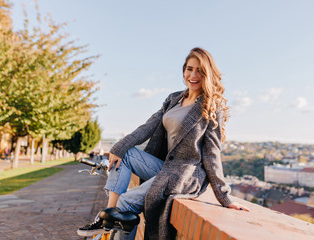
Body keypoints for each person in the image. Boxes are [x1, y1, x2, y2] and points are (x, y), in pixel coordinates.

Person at [77, 47, 250, 239]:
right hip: (165, 167)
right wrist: (118, 147)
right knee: (125, 152)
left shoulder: (210, 107)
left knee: (126, 202)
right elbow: (147, 127)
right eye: (189, 69)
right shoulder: (174, 99)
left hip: (185, 175)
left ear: (208, 74)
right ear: (184, 70)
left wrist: (224, 197)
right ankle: (109, 214)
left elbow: (212, 154)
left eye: (199, 70)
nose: (193, 75)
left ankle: (113, 216)